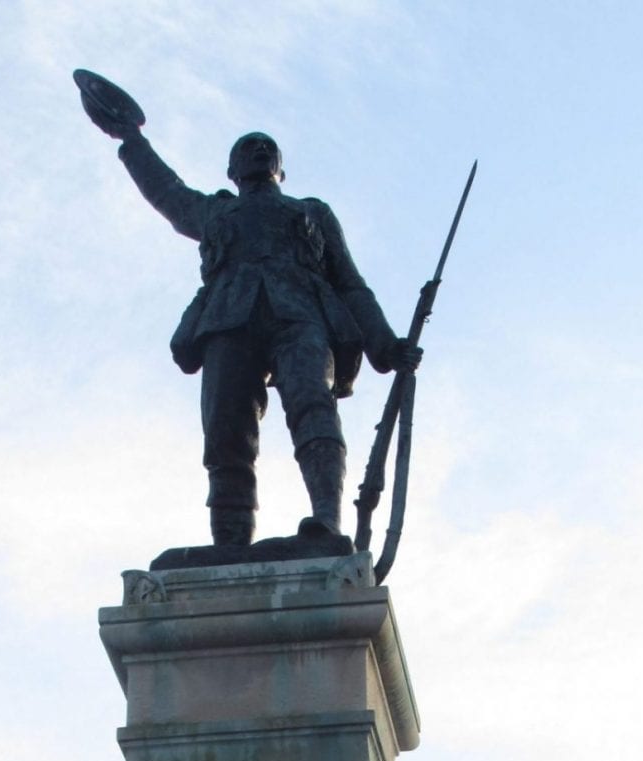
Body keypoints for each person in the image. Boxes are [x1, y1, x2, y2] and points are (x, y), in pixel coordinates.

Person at [82, 89, 420, 546]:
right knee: (225, 429)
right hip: (228, 319)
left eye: (268, 147)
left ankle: (326, 520)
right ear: (231, 171)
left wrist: (383, 345)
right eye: (248, 147)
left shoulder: (311, 212)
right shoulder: (216, 211)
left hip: (301, 316)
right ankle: (230, 540)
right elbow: (167, 192)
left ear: (282, 168)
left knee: (312, 407)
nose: (259, 150)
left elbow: (350, 284)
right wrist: (131, 139)